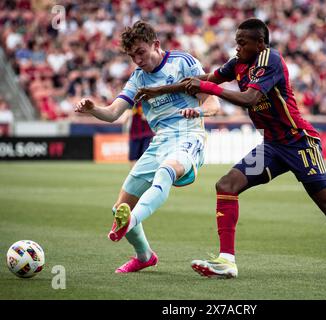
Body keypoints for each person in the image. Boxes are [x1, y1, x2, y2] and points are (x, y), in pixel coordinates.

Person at [137, 18, 326, 278]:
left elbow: (248, 98)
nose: (237, 47)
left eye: (242, 42)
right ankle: (227, 261)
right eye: (236, 41)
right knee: (226, 185)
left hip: (298, 141)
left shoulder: (271, 60)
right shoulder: (238, 63)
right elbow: (208, 77)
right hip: (272, 145)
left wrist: (209, 87)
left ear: (260, 44)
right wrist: (159, 90)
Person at [75, 20, 220, 273]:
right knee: (119, 207)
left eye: (140, 52)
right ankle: (144, 256)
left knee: (165, 172)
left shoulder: (183, 62)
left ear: (156, 44)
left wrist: (196, 111)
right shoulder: (137, 79)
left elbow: (213, 105)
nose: (138, 60)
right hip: (160, 140)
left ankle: (130, 222)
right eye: (132, 56)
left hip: (189, 134)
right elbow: (112, 114)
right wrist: (92, 109)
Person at [126, 101, 154, 167]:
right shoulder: (133, 100)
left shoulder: (150, 100)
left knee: (146, 156)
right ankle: (135, 176)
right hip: (134, 133)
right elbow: (127, 113)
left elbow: (146, 117)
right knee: (133, 158)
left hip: (147, 133)